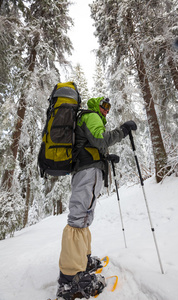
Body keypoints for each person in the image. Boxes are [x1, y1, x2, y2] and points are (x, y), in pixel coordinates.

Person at [56, 97, 137, 300]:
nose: (107, 110)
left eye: (109, 107)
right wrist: (123, 131)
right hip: (87, 172)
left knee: (84, 216)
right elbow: (100, 140)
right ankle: (70, 278)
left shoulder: (90, 118)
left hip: (88, 171)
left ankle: (81, 260)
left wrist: (105, 157)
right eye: (105, 105)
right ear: (97, 105)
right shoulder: (92, 115)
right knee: (79, 216)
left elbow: (91, 145)